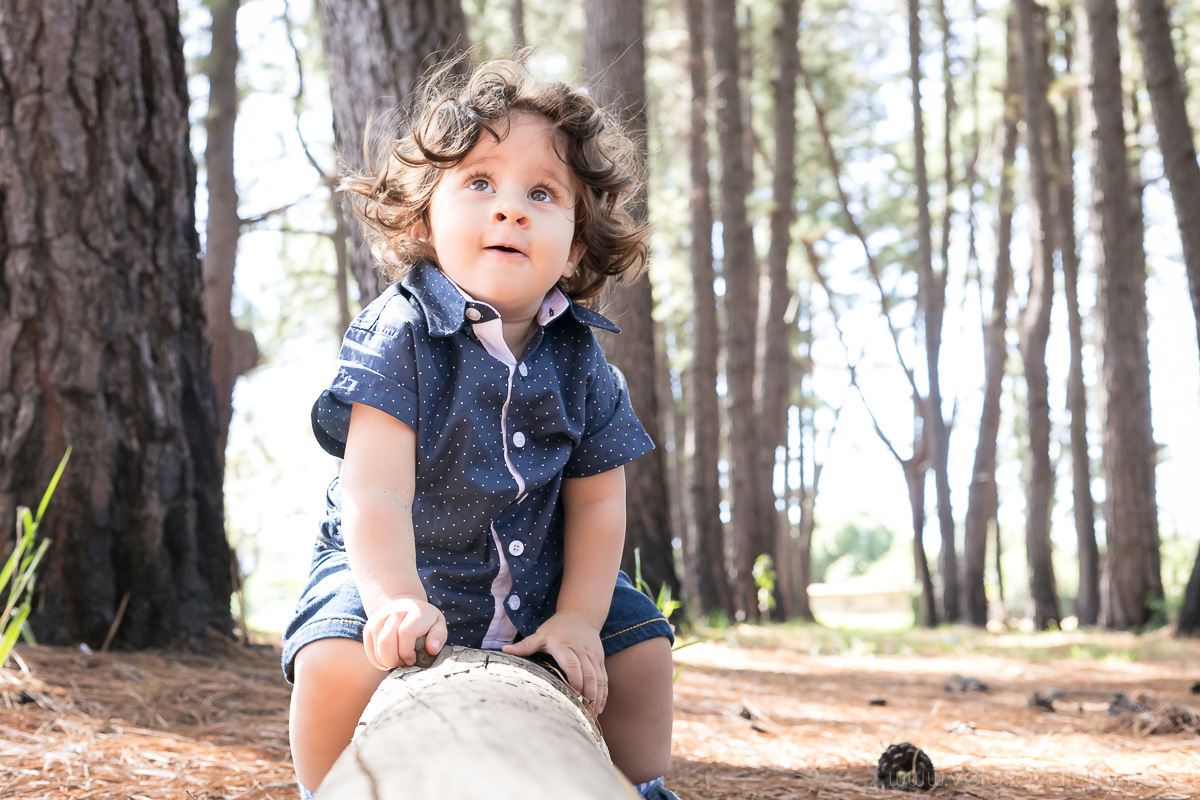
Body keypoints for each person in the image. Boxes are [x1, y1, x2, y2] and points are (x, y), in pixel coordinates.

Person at [283, 54, 679, 800]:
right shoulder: (398, 331)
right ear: (424, 215)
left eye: (542, 193)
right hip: (402, 561)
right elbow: (373, 493)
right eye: (479, 184)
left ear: (578, 241)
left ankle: (633, 784)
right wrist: (394, 596)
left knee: (645, 654)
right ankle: (329, 788)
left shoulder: (583, 359)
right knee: (334, 660)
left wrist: (578, 617)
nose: (511, 209)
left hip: (547, 572)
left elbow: (598, 505)